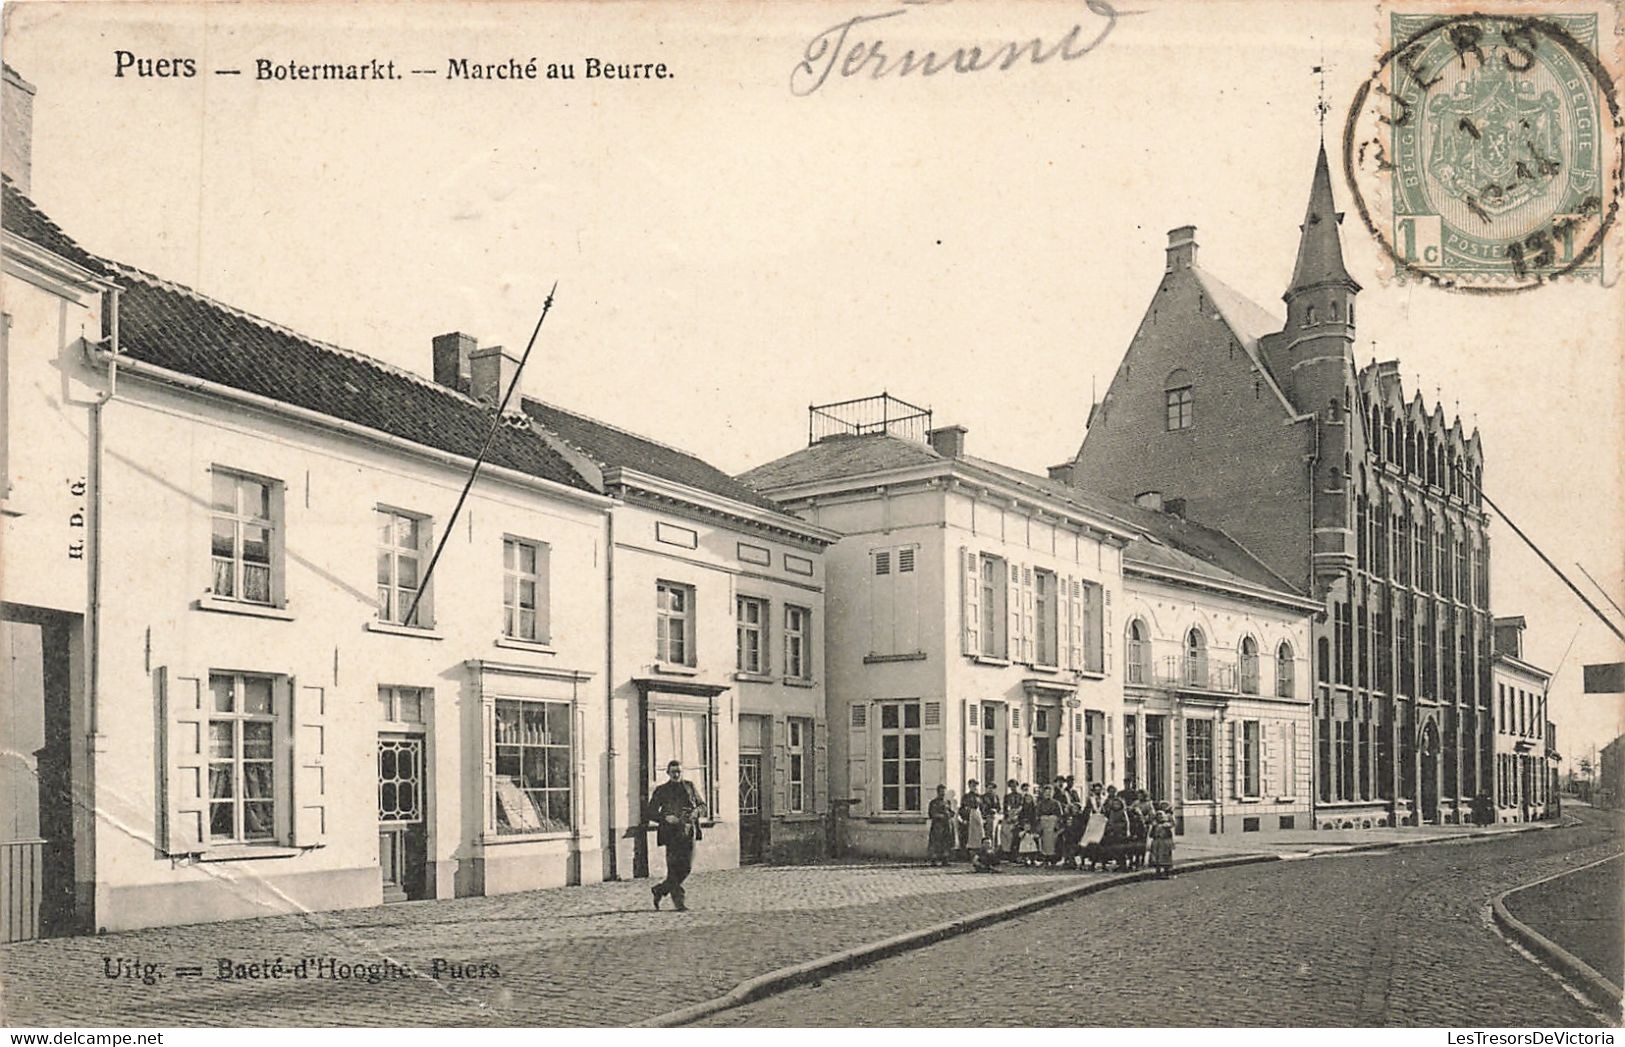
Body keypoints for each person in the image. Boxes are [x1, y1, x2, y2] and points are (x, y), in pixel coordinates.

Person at [646, 759, 708, 911]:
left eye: (679, 771)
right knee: (673, 869)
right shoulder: (661, 790)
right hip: (671, 834)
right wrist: (665, 818)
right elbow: (650, 812)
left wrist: (696, 812)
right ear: (668, 773)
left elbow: (703, 806)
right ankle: (679, 903)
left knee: (686, 868)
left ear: (682, 772)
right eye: (673, 772)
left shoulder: (689, 786)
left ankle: (660, 890)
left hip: (689, 832)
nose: (676, 774)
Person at [927, 784, 956, 865]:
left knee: (946, 842)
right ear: (937, 792)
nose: (942, 794)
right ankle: (934, 859)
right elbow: (931, 814)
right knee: (936, 842)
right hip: (938, 825)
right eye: (941, 792)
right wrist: (940, 816)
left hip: (947, 825)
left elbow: (950, 811)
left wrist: (951, 814)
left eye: (944, 792)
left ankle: (945, 859)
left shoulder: (947, 802)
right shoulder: (934, 802)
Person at [1035, 785, 1063, 865]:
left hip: (1053, 823)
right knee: (1044, 841)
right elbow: (1037, 815)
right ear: (1043, 793)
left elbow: (1060, 815)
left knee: (1053, 840)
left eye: (1050, 792)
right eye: (1046, 792)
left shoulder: (1056, 803)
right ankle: (1045, 858)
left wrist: (1057, 824)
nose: (1048, 794)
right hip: (1043, 824)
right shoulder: (1040, 804)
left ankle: (1053, 858)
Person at [1150, 801, 1176, 878]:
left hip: (1165, 842)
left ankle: (1166, 871)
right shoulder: (1156, 824)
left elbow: (1172, 825)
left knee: (1166, 856)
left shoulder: (1167, 821)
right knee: (1156, 856)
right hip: (1157, 842)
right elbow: (1152, 834)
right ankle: (1158, 872)